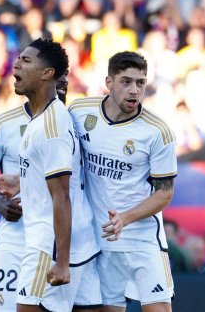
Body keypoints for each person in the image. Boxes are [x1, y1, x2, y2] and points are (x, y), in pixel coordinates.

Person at [0, 38, 100, 312]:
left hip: (50, 244)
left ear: (47, 73)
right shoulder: (45, 117)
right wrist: (22, 180)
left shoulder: (50, 127)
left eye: (26, 60)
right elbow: (65, 175)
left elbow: (62, 195)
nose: (16, 64)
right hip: (79, 241)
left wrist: (61, 261)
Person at [69, 51, 177, 312]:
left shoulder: (157, 132)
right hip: (101, 241)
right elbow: (60, 161)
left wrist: (125, 218)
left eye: (140, 83)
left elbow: (164, 194)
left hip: (142, 240)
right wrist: (20, 179)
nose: (134, 90)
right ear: (109, 82)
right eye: (126, 81)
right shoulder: (79, 112)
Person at [0, 71, 70, 312]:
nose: (62, 86)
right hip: (16, 237)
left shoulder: (73, 123)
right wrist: (0, 206)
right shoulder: (2, 124)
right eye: (57, 80)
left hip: (60, 240)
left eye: (65, 81)